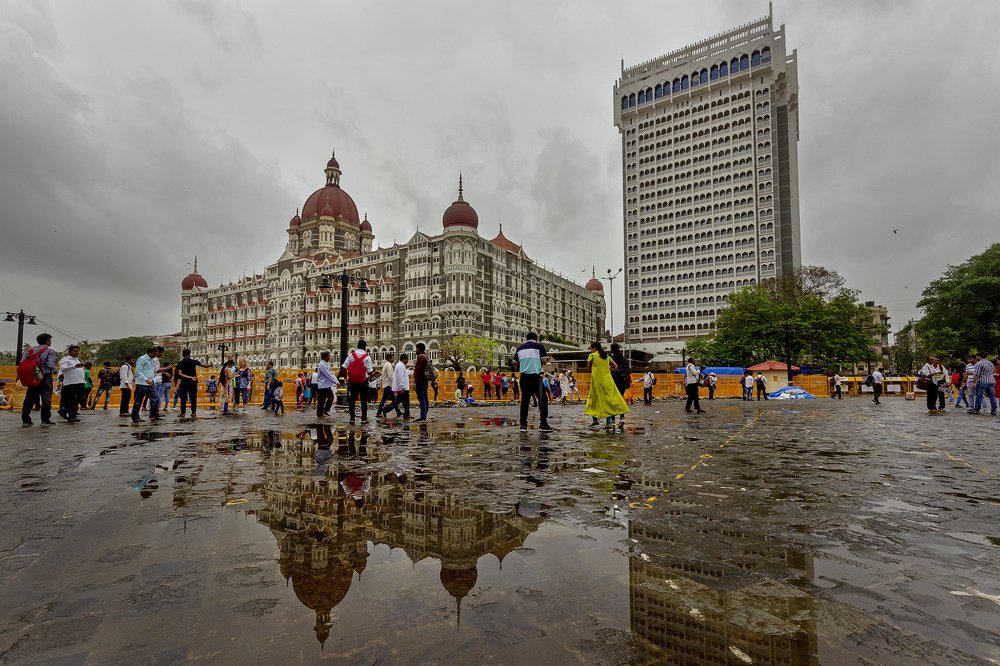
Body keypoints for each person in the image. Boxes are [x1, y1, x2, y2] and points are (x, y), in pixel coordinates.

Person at [512, 331, 553, 432]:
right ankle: (543, 423)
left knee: (525, 400)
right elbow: (544, 361)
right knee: (542, 399)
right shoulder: (539, 347)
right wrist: (545, 360)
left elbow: (514, 362)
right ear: (536, 338)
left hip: (524, 377)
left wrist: (524, 363)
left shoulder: (519, 348)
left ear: (527, 338)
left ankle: (523, 425)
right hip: (536, 377)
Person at [585, 341, 630, 429]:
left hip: (597, 382)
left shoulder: (592, 356)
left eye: (591, 348)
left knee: (594, 400)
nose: (591, 350)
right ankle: (612, 421)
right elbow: (615, 366)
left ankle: (595, 420)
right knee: (610, 400)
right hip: (608, 381)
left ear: (594, 348)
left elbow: (588, 369)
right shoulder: (607, 356)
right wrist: (608, 369)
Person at [20, 333, 57, 427]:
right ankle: (45, 420)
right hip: (45, 376)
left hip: (33, 376)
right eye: (50, 340)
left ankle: (25, 420)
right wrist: (55, 370)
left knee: (29, 397)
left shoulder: (28, 351)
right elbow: (50, 365)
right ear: (47, 341)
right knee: (46, 398)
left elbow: (21, 363)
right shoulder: (50, 351)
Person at [343, 340, 374, 424]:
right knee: (363, 400)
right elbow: (370, 371)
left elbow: (344, 367)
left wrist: (345, 377)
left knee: (352, 399)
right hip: (362, 381)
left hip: (352, 381)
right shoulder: (367, 357)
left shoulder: (351, 355)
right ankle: (364, 418)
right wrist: (372, 376)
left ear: (357, 346)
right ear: (365, 347)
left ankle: (352, 418)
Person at [57, 345, 86, 422]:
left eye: (78, 351)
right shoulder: (65, 360)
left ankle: (64, 410)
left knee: (81, 398)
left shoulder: (77, 360)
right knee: (72, 400)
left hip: (79, 382)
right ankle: (71, 416)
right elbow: (63, 368)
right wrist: (74, 366)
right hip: (70, 383)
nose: (76, 353)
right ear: (69, 351)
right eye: (75, 351)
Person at [131, 347, 161, 423]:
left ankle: (153, 415)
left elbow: (152, 370)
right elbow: (138, 371)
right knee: (138, 401)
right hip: (142, 383)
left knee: (155, 399)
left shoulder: (151, 360)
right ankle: (135, 417)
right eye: (156, 353)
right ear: (151, 352)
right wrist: (146, 379)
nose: (157, 354)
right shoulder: (142, 359)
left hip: (151, 383)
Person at [174, 349, 204, 418]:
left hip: (184, 383)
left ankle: (183, 413)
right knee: (193, 398)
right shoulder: (193, 361)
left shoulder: (180, 363)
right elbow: (203, 365)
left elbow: (180, 374)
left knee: (183, 398)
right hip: (193, 382)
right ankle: (193, 412)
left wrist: (188, 377)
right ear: (189, 354)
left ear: (182, 355)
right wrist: (210, 365)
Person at [968, 351, 997, 416]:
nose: (976, 358)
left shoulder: (979, 364)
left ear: (979, 356)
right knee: (992, 396)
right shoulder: (990, 363)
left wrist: (973, 382)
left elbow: (976, 374)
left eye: (977, 356)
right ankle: (994, 410)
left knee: (979, 396)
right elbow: (992, 372)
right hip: (991, 381)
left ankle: (977, 410)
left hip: (982, 381)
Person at [386, 353, 411, 418]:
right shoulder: (400, 366)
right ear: (404, 359)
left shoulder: (401, 365)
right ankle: (386, 409)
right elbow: (400, 377)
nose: (407, 361)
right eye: (407, 359)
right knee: (399, 402)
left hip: (403, 388)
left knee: (402, 402)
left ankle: (407, 413)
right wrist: (402, 387)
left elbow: (404, 374)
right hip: (403, 388)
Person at [316, 351, 339, 418]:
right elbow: (328, 375)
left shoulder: (325, 364)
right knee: (328, 398)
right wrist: (336, 382)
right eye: (329, 356)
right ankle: (322, 412)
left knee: (323, 399)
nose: (330, 358)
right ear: (325, 357)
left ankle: (322, 412)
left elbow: (330, 373)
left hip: (325, 385)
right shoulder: (322, 364)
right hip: (323, 385)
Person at [375, 352, 397, 418]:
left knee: (393, 399)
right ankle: (380, 411)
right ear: (389, 358)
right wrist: (394, 383)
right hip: (388, 385)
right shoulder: (389, 365)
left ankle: (398, 411)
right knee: (391, 400)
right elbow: (390, 376)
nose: (393, 360)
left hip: (386, 384)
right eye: (393, 358)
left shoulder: (386, 365)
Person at [413, 342, 430, 421]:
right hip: (425, 381)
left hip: (420, 381)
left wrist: (415, 382)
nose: (415, 350)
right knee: (425, 398)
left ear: (419, 349)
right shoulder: (425, 357)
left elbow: (418, 371)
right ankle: (424, 414)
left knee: (422, 399)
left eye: (416, 349)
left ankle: (423, 416)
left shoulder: (420, 357)